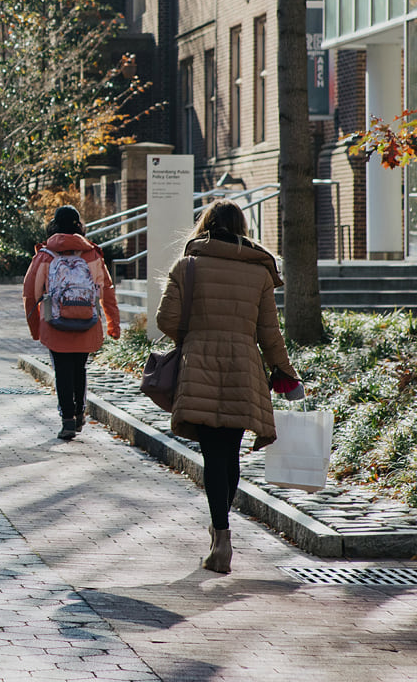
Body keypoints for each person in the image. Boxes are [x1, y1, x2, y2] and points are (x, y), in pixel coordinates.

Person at [155, 198, 301, 575]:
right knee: (230, 453)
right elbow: (270, 333)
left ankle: (220, 534)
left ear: (205, 225)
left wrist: (195, 335)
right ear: (241, 227)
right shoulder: (258, 273)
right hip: (243, 367)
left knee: (211, 453)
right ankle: (223, 531)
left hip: (200, 364)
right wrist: (285, 372)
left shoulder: (188, 265)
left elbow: (166, 319)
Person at [21, 205, 120, 440]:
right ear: (79, 226)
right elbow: (106, 291)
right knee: (79, 368)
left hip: (54, 322)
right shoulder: (92, 254)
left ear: (54, 225)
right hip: (87, 322)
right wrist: (113, 324)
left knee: (62, 370)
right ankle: (78, 412)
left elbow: (30, 293)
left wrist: (36, 328)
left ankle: (67, 419)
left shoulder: (46, 256)